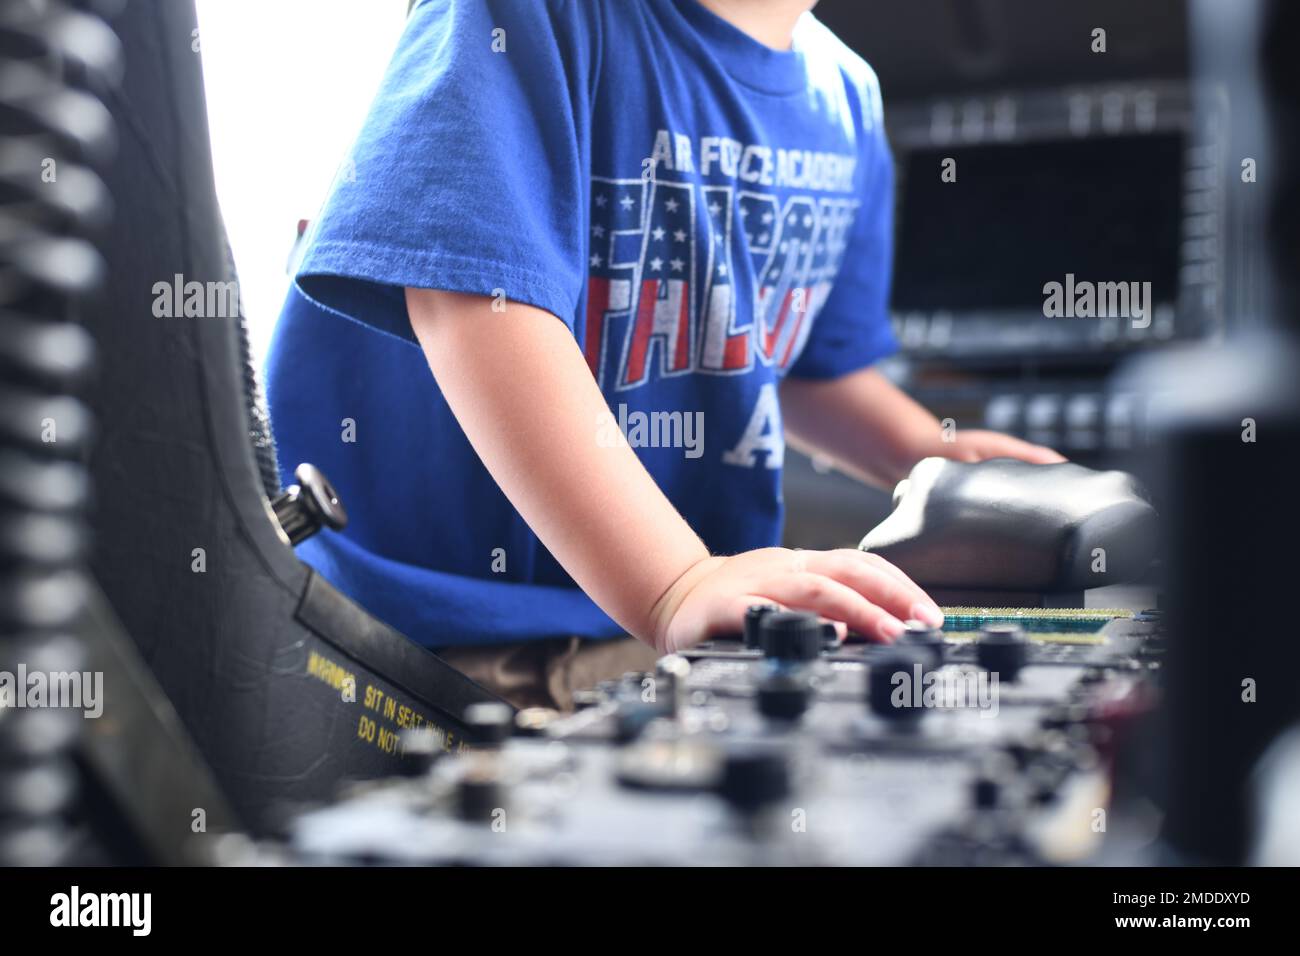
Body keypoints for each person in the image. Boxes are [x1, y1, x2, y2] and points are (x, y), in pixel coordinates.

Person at [266, 0, 1062, 709]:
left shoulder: (849, 99)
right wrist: (674, 581)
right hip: (441, 638)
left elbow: (810, 367)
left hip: (668, 620)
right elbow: (469, 303)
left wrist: (931, 456)